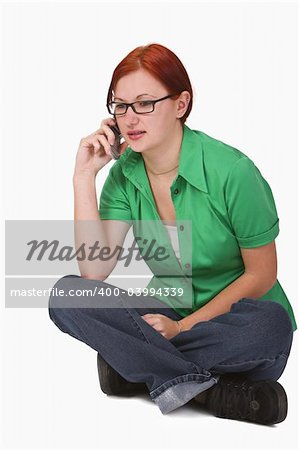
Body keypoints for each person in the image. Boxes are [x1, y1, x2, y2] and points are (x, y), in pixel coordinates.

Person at [48, 43, 296, 425]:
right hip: (168, 311)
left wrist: (182, 328)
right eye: (120, 105)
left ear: (181, 104)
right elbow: (94, 273)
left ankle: (138, 369)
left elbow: (261, 275)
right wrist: (84, 175)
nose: (130, 117)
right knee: (67, 294)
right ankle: (213, 392)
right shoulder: (124, 176)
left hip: (235, 320)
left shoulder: (233, 171)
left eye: (145, 103)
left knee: (271, 326)